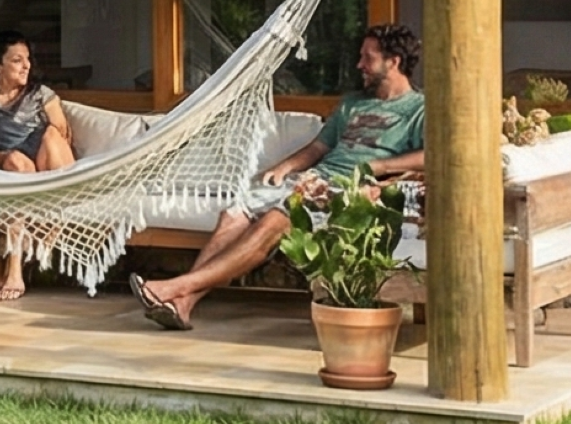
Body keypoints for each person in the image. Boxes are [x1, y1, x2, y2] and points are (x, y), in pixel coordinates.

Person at [130, 22, 426, 331]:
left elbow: (430, 156)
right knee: (233, 213)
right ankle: (184, 302)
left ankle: (172, 288)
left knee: (275, 220)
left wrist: (380, 167)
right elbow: (318, 147)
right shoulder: (352, 103)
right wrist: (283, 168)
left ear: (393, 62)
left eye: (368, 57)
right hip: (315, 178)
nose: (359, 64)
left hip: (351, 193)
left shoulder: (418, 109)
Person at [0, 31, 76, 300]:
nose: (26, 66)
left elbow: (62, 138)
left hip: (52, 168)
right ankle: (9, 267)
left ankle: (7, 266)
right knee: (11, 164)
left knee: (49, 134)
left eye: (27, 59)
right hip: (14, 168)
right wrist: (7, 159)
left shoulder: (41, 94)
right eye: (17, 60)